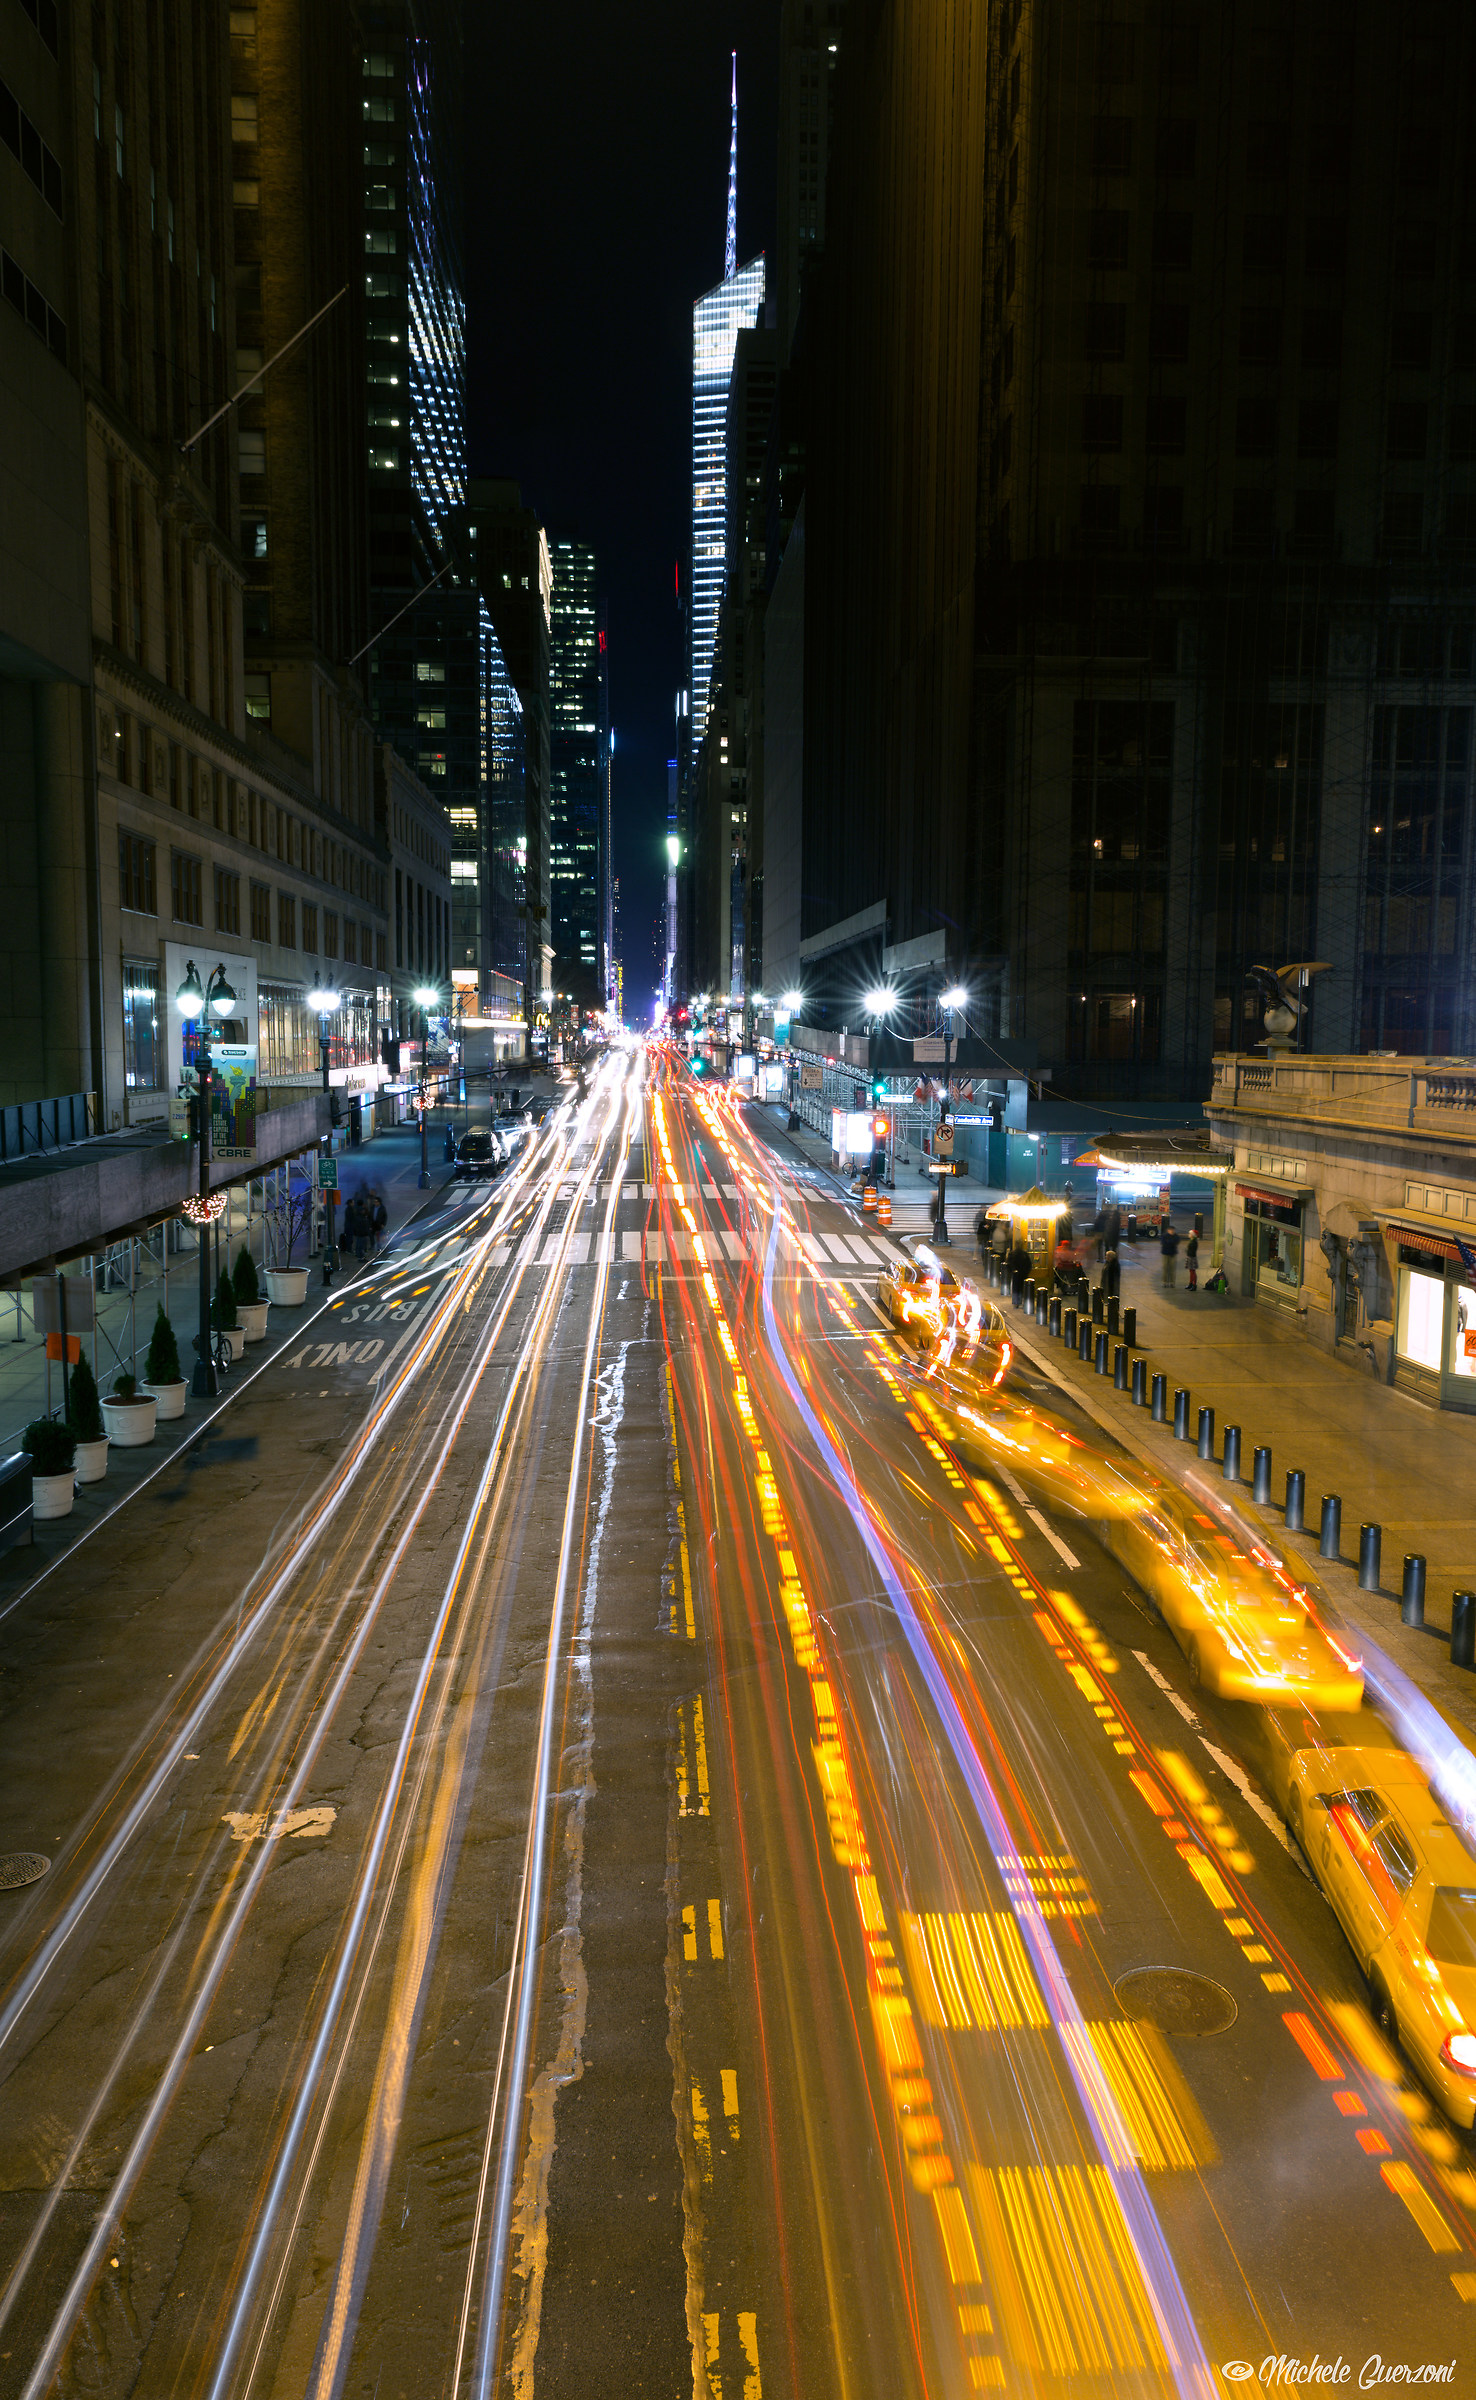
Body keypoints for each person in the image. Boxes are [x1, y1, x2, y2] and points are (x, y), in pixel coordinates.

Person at [1160, 1219, 1180, 1288]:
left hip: (1172, 1254)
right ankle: (1164, 1282)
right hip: (1165, 1254)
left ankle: (1172, 1282)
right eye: (1171, 1230)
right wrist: (1171, 1242)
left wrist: (1168, 1242)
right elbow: (1164, 1243)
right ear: (1168, 1230)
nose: (1172, 1231)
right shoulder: (1164, 1236)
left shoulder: (1176, 1236)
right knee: (1165, 1268)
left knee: (1172, 1269)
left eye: (1173, 1230)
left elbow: (1175, 1242)